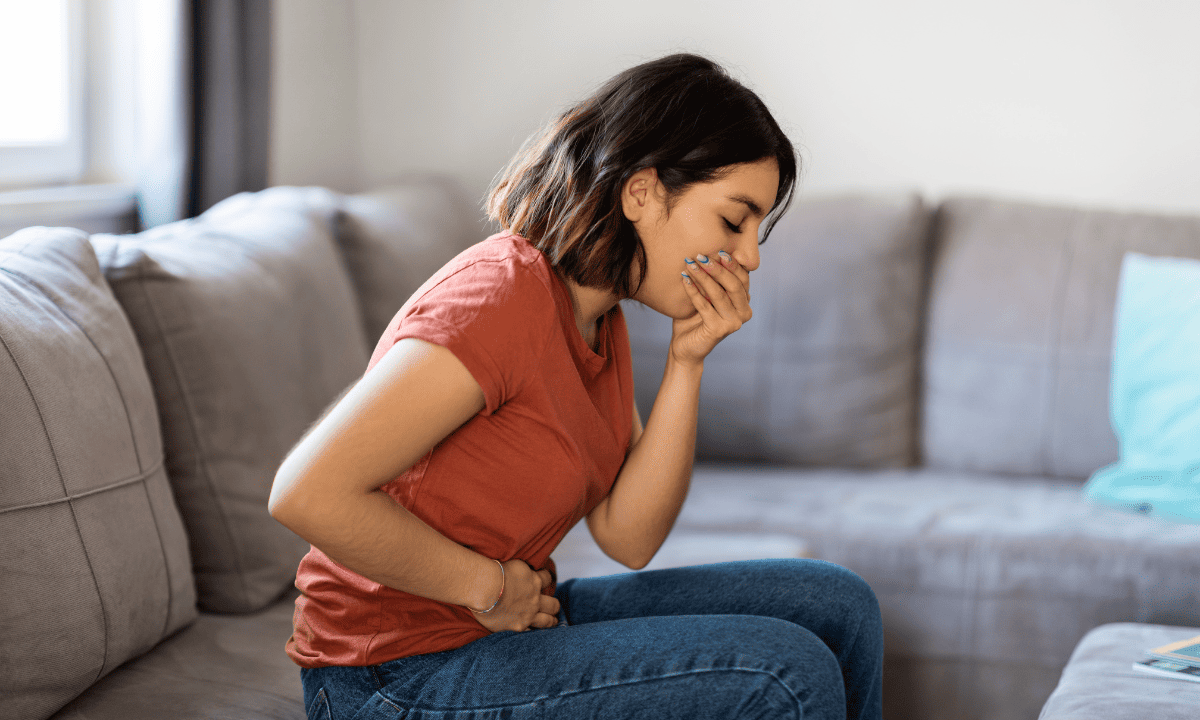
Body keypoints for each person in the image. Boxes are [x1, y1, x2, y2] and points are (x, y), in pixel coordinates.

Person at [268, 52, 884, 720]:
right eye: (735, 220)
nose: (751, 255)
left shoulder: (599, 318)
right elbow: (307, 491)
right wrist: (487, 586)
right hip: (391, 674)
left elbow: (629, 536)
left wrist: (687, 363)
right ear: (641, 193)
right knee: (783, 673)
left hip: (509, 627)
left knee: (838, 605)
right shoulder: (497, 299)